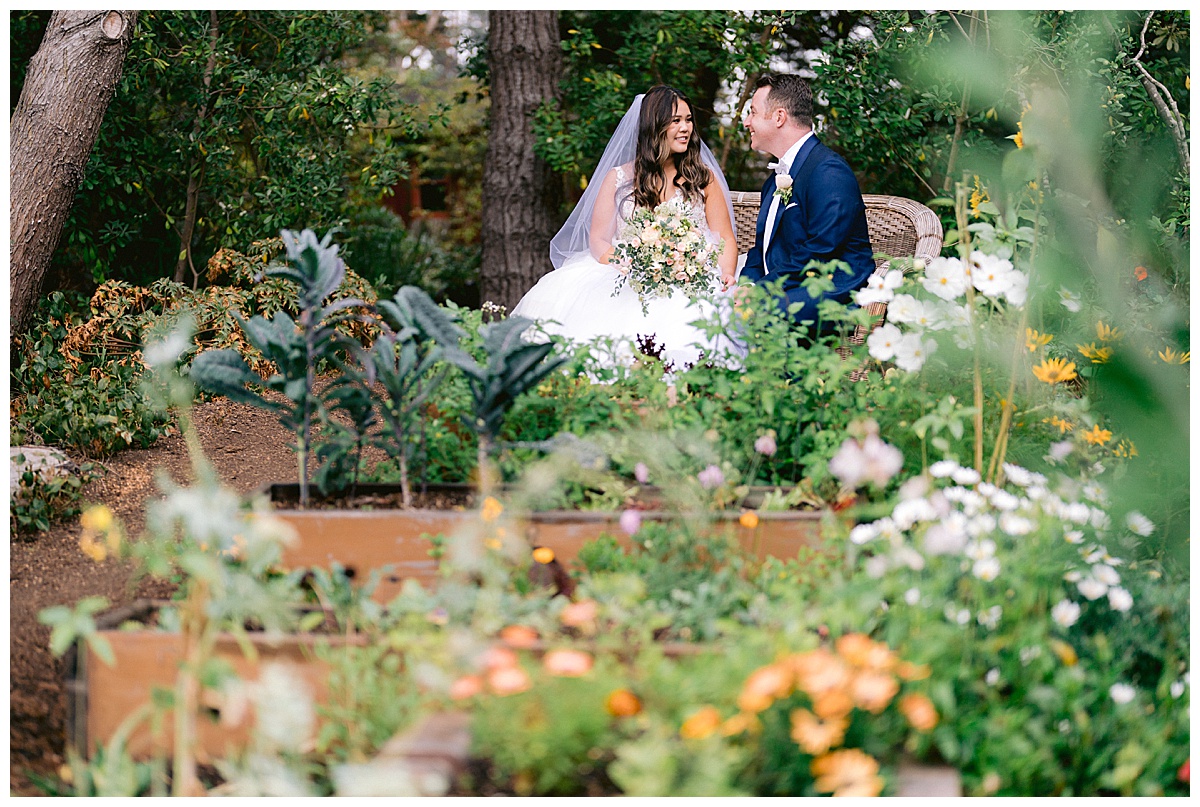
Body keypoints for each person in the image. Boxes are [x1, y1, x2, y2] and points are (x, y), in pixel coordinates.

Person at [512, 85, 745, 370]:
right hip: (628, 276)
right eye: (676, 121)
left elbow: (724, 237)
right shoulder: (619, 178)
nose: (685, 128)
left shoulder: (702, 178)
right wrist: (631, 264)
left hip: (692, 277)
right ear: (654, 126)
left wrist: (726, 275)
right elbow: (598, 239)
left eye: (688, 119)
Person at [739, 73, 876, 338]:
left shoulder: (828, 171)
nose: (747, 122)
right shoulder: (776, 179)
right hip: (790, 285)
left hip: (832, 290)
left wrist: (762, 290)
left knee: (763, 312)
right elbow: (760, 249)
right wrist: (746, 285)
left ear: (779, 117)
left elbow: (820, 250)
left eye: (753, 112)